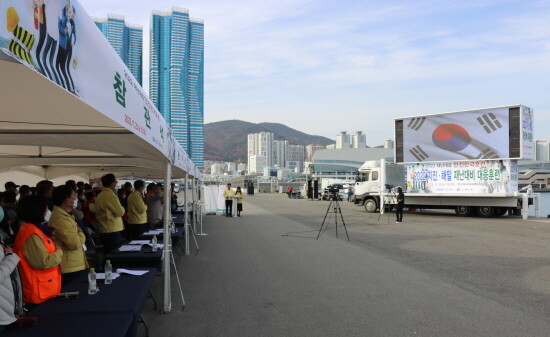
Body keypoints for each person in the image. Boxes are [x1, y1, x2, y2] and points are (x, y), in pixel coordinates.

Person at [13, 195, 62, 304]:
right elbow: (43, 262)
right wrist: (59, 252)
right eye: (45, 208)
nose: (47, 211)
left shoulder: (34, 229)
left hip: (44, 288)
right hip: (38, 292)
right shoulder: (32, 233)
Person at [48, 185, 88, 285]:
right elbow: (74, 243)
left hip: (74, 263)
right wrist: (81, 233)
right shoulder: (60, 219)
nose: (76, 198)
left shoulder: (65, 215)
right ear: (67, 200)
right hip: (70, 267)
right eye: (74, 196)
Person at [94, 174, 125, 253]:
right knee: (113, 254)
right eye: (115, 181)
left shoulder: (100, 195)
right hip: (112, 229)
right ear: (112, 183)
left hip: (104, 228)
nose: (116, 183)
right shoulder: (111, 195)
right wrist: (123, 208)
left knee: (107, 253)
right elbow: (120, 212)